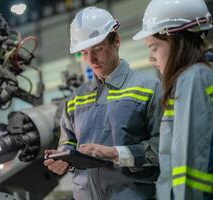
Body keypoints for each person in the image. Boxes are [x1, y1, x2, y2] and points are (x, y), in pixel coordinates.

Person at [44, 6, 162, 200]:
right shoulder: (75, 98)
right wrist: (63, 159)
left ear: (116, 41)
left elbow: (161, 148)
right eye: (84, 52)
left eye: (98, 49)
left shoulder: (149, 88)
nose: (91, 59)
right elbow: (68, 141)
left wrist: (116, 154)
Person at [133, 0, 213, 199]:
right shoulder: (195, 77)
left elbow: (190, 161)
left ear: (177, 40)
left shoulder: (193, 78)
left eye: (154, 47)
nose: (151, 58)